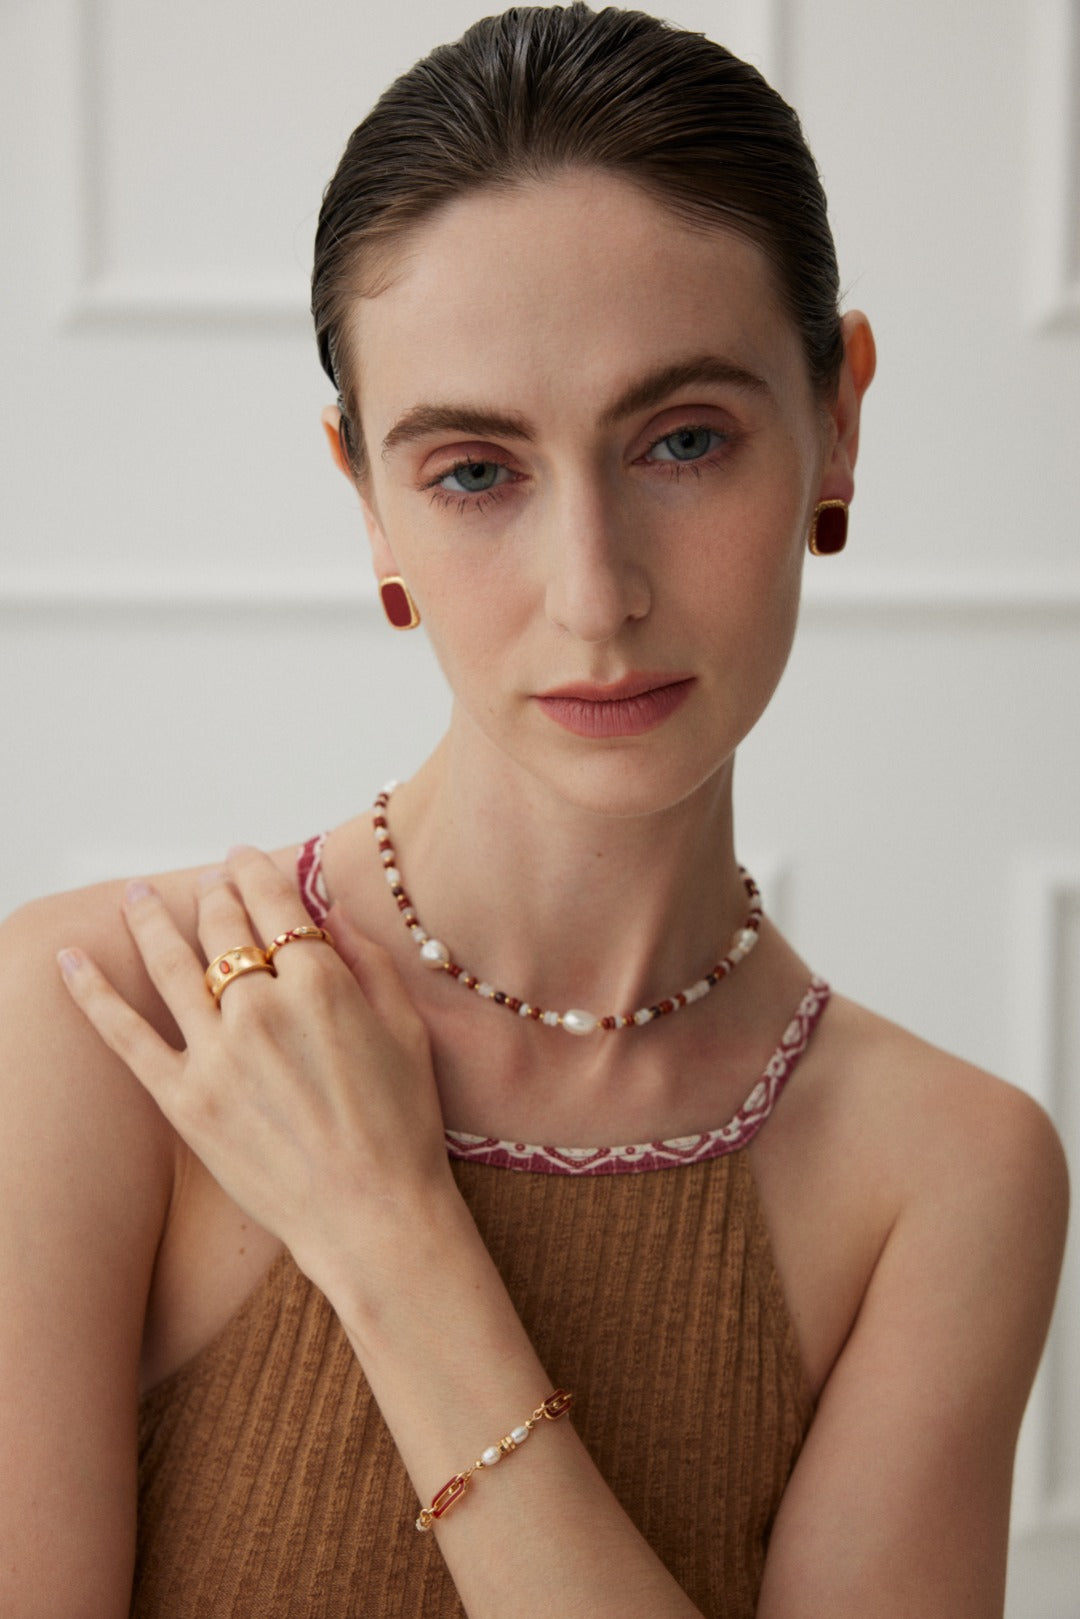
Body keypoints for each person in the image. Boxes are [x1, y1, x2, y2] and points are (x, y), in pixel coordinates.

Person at [0, 5, 1068, 1615]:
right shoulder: (104, 1031)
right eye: (476, 472)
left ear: (839, 417)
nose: (595, 594)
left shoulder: (948, 1177)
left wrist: (387, 1237)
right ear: (364, 494)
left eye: (684, 440)